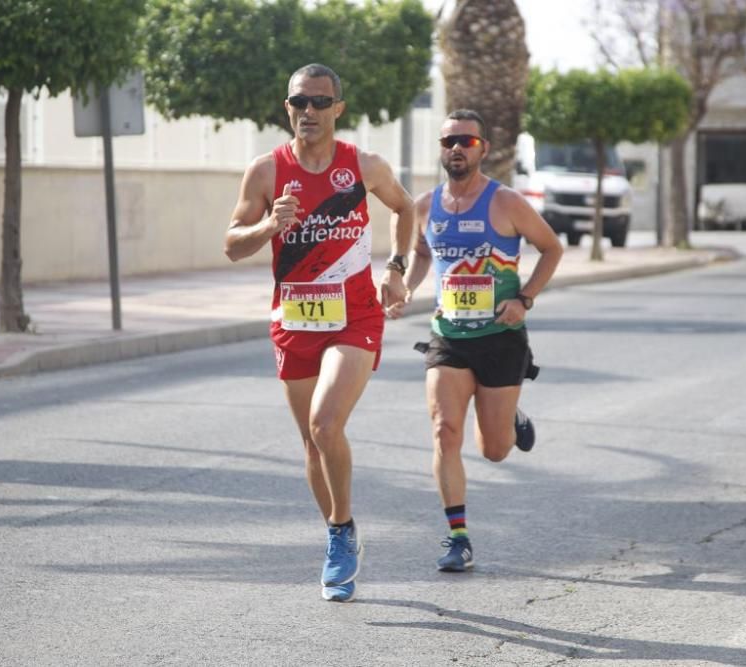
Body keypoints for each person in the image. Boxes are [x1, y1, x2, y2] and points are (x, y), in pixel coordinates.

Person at [224, 63, 414, 602]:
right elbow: (232, 244)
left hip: (354, 316)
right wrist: (268, 226)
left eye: (319, 102)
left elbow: (403, 209)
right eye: (299, 102)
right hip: (294, 319)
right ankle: (340, 531)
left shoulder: (363, 166)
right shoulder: (265, 172)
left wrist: (396, 270)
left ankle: (341, 533)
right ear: (287, 108)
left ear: (338, 109)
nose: (308, 111)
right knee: (311, 444)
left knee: (326, 423)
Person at [392, 109, 563, 572]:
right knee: (444, 431)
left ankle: (510, 419)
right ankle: (457, 537)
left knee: (494, 449)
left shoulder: (506, 203)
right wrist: (407, 285)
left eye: (466, 141)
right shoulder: (427, 205)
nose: (456, 149)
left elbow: (552, 247)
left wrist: (524, 298)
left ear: (482, 148)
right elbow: (423, 252)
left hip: (501, 338)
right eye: (449, 141)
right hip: (448, 337)